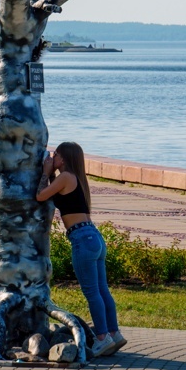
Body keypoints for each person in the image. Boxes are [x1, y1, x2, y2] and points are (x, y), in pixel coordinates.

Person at [36, 142, 126, 359]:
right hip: (94, 237)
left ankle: (102, 339)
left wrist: (45, 172)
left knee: (92, 292)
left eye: (55, 154)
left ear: (64, 158)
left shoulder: (65, 177)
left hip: (81, 238)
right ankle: (114, 333)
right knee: (102, 290)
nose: (52, 156)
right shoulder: (76, 179)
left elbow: (40, 195)